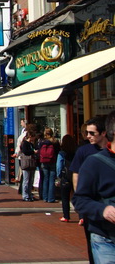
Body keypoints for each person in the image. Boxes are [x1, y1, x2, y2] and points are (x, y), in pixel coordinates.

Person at [72, 111, 115, 264]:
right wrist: (103, 210)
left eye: (92, 133)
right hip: (106, 237)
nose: (88, 136)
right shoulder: (93, 161)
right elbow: (79, 199)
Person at [57, 134, 77, 222]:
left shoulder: (62, 153)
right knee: (77, 196)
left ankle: (66, 216)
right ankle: (81, 217)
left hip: (65, 176)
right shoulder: (77, 152)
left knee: (65, 197)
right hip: (75, 175)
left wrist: (59, 175)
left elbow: (59, 165)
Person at [38, 127, 60, 203]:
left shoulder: (42, 142)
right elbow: (58, 151)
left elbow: (39, 152)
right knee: (52, 180)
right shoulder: (55, 142)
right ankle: (51, 198)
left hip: (44, 162)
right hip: (53, 161)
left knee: (45, 179)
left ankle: (45, 197)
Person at [20, 124, 38, 202]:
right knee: (26, 180)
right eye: (33, 137)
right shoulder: (25, 143)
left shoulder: (31, 144)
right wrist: (33, 152)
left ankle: (29, 194)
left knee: (30, 180)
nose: (34, 139)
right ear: (30, 136)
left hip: (31, 164)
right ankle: (25, 195)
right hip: (26, 163)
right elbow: (25, 152)